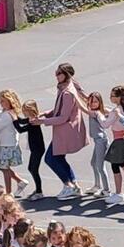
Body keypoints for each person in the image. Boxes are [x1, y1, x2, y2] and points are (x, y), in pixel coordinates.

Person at [37, 64, 87, 199]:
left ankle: (68, 185)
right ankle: (73, 184)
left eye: (59, 73)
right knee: (58, 158)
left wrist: (42, 121)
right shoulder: (65, 87)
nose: (56, 76)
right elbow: (58, 110)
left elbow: (63, 117)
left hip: (66, 131)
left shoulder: (67, 93)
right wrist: (46, 114)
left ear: (66, 74)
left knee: (50, 158)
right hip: (64, 131)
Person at [101, 86, 124, 204]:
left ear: (119, 98)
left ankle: (119, 193)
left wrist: (99, 115)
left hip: (119, 140)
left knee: (115, 165)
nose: (110, 97)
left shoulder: (116, 111)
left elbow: (105, 124)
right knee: (123, 163)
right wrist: (109, 111)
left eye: (112, 96)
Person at [0, 90, 27, 196]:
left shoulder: (8, 115)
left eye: (3, 101)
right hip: (8, 144)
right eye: (0, 101)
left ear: (10, 102)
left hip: (7, 146)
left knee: (4, 167)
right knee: (4, 167)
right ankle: (20, 181)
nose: (1, 103)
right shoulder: (7, 111)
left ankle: (9, 192)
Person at [13, 100, 45, 200]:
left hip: (38, 149)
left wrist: (14, 120)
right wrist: (15, 115)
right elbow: (22, 121)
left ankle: (39, 192)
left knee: (34, 169)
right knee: (31, 168)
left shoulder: (34, 121)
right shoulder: (31, 118)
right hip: (35, 148)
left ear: (31, 110)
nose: (24, 113)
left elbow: (20, 129)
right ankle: (38, 189)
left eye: (25, 111)